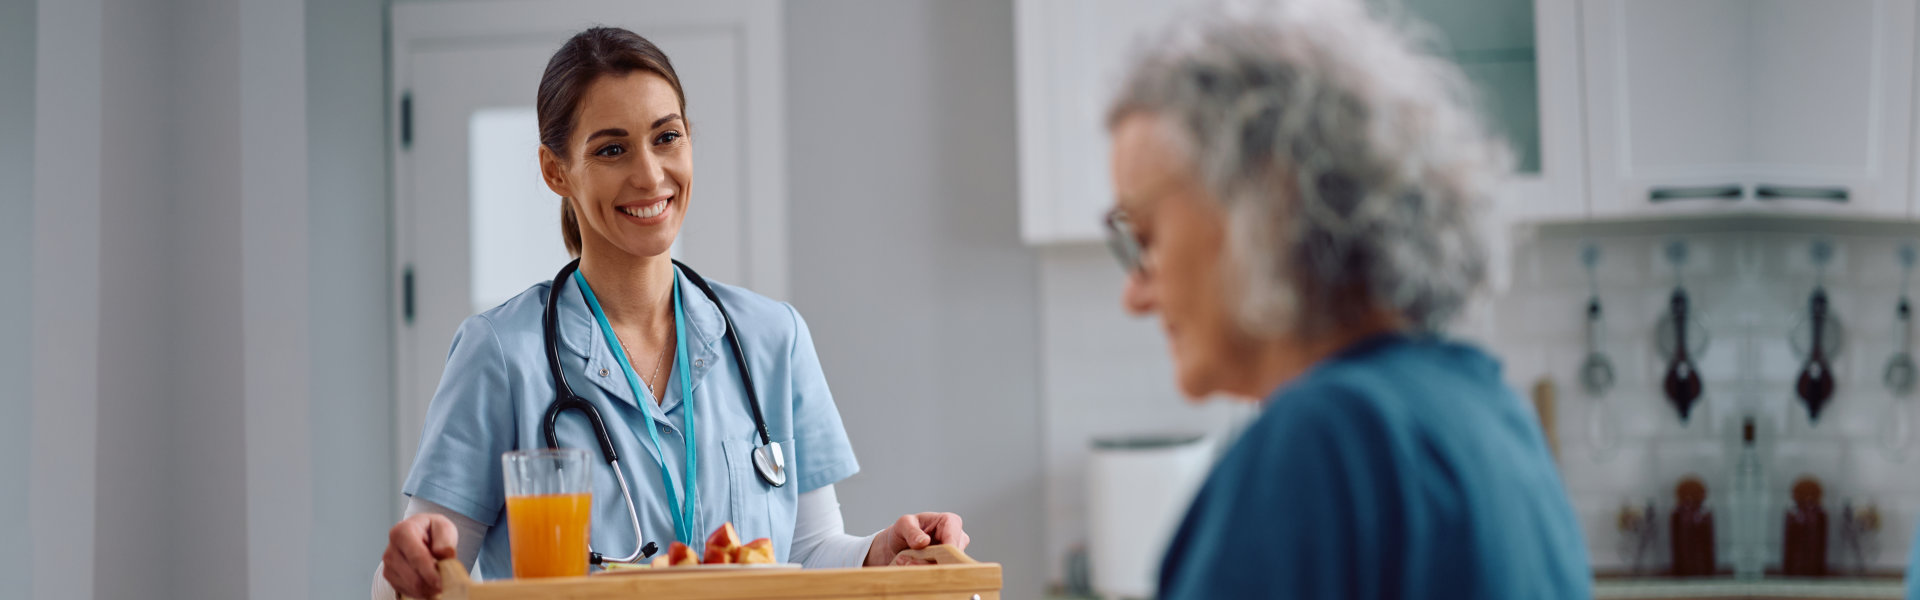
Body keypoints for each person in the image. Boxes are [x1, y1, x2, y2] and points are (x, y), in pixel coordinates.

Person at [374, 27, 968, 599]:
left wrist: (879, 554)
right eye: (612, 149)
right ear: (557, 171)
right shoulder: (501, 353)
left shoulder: (772, 337)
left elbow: (807, 551)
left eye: (667, 137)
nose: (650, 174)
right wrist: (408, 574)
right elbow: (419, 576)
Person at [1099, 1, 1589, 597]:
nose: (1135, 294)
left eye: (1146, 236)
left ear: (1269, 200)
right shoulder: (1492, 416)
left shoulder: (1324, 445)